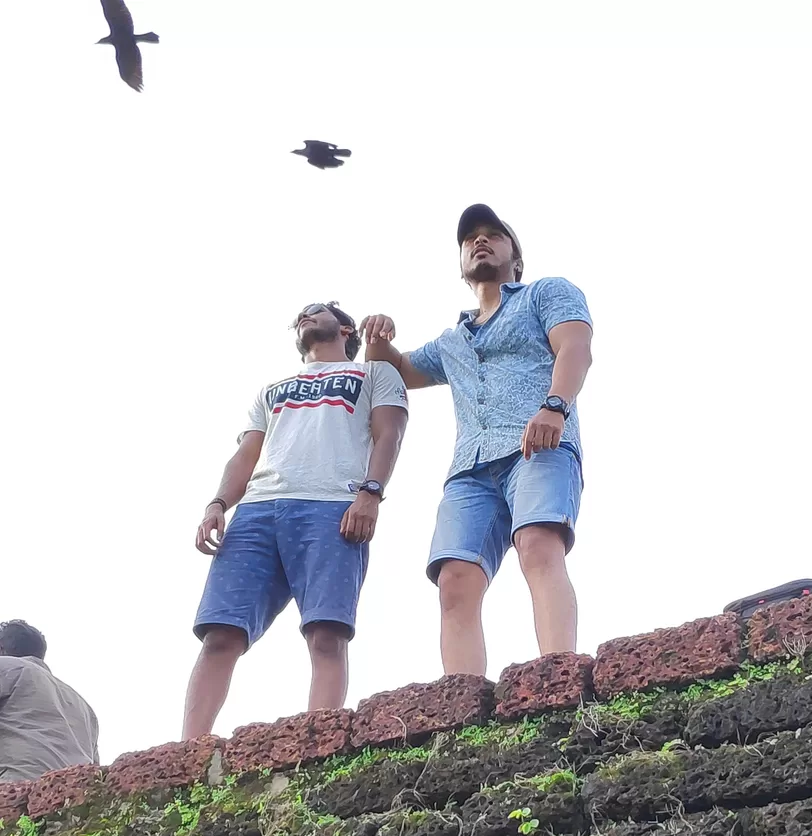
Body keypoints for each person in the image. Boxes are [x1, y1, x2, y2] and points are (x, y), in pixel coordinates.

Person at [361, 204, 593, 677]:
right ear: (462, 265)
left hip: (538, 443)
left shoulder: (545, 294)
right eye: (470, 239)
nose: (479, 241)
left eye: (493, 234)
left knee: (538, 544)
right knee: (454, 580)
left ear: (516, 258)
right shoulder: (452, 342)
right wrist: (377, 335)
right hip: (470, 469)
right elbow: (395, 371)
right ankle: (460, 699)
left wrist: (554, 406)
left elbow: (576, 347)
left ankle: (559, 674)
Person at [182, 301, 408, 739]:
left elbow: (389, 434)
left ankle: (316, 738)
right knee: (220, 633)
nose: (304, 316)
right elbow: (245, 454)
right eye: (300, 315)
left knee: (326, 631)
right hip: (257, 510)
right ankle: (188, 750)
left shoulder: (374, 373)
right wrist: (216, 504)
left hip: (331, 505)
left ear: (344, 328)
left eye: (316, 311)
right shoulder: (272, 388)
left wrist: (371, 494)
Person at [0, 620, 99, 781]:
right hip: (75, 794)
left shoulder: (7, 667)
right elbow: (96, 767)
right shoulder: (84, 707)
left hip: (15, 784)